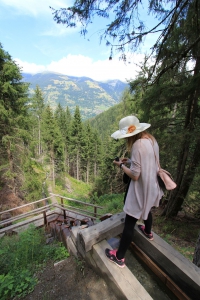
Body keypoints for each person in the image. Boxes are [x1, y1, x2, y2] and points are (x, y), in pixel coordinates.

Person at [105, 115, 164, 268]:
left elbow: (135, 175)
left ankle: (119, 257)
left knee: (130, 223)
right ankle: (148, 232)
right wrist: (130, 162)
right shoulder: (151, 140)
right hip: (152, 185)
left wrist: (120, 165)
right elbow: (148, 162)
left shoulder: (137, 145)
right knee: (147, 208)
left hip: (140, 188)